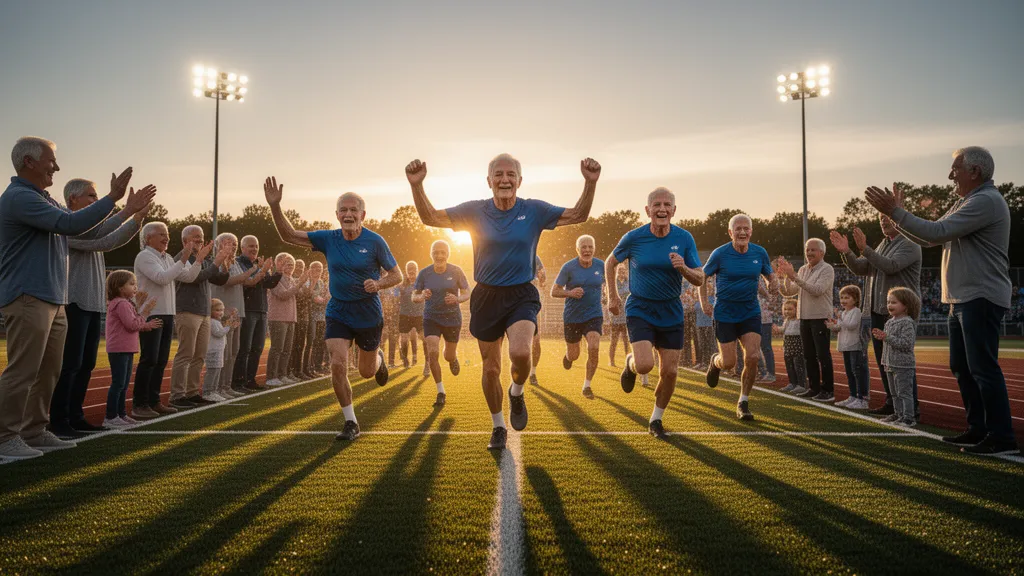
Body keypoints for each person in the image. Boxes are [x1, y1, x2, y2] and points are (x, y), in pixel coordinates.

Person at [406, 154, 601, 450]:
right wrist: (417, 185)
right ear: (489, 181)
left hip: (521, 293)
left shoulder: (534, 210)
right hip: (486, 295)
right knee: (491, 368)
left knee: (521, 353)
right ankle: (498, 425)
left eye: (511, 174)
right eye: (498, 174)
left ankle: (517, 391)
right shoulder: (474, 210)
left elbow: (578, 215)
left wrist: (590, 182)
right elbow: (430, 217)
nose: (505, 179)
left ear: (520, 181)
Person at [865, 147, 1017, 455]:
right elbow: (930, 237)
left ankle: (1001, 436)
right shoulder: (967, 200)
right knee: (961, 366)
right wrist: (899, 217)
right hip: (961, 297)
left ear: (975, 172)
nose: (950, 175)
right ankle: (977, 428)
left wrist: (896, 212)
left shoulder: (985, 200)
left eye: (955, 169)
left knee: (982, 367)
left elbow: (937, 230)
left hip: (980, 295)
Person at [0, 137, 140, 460]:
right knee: (24, 370)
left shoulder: (44, 198)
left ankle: (34, 429)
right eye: (51, 161)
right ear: (28, 163)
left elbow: (84, 231)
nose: (57, 167)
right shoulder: (20, 198)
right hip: (27, 295)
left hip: (53, 298)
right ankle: (5, 435)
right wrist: (112, 198)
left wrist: (126, 212)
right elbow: (71, 223)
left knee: (49, 370)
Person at [265, 178, 402, 442]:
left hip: (368, 313)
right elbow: (289, 235)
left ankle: (379, 359)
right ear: (337, 214)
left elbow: (396, 275)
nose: (348, 214)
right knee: (337, 365)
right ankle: (351, 422)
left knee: (366, 372)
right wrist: (275, 206)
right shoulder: (329, 238)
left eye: (353, 210)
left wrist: (379, 283)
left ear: (363, 215)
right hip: (338, 310)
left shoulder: (375, 242)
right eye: (343, 210)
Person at [50, 178, 154, 438]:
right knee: (70, 364)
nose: (95, 201)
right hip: (74, 301)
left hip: (93, 303)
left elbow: (112, 238)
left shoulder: (91, 228)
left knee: (86, 363)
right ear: (72, 199)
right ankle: (59, 419)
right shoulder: (67, 226)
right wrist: (128, 212)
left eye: (96, 196)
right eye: (91, 196)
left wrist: (137, 219)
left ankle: (76, 416)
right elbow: (105, 242)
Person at [606, 187, 704, 438]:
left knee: (670, 372)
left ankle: (656, 419)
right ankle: (630, 364)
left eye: (667, 204)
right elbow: (610, 262)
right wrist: (614, 296)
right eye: (657, 205)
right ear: (648, 210)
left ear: (673, 210)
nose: (662, 209)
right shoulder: (633, 237)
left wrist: (683, 268)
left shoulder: (684, 238)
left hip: (671, 309)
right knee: (645, 365)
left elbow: (700, 278)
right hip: (641, 307)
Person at [831, 213, 922, 417]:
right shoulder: (882, 245)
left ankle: (910, 406)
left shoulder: (910, 243)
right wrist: (847, 252)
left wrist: (865, 249)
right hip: (877, 311)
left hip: (899, 313)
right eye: (880, 218)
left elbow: (890, 266)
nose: (883, 221)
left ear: (900, 217)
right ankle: (893, 403)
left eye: (888, 216)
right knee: (885, 360)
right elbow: (862, 267)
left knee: (900, 360)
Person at [132, 222, 208, 419]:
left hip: (167, 313)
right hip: (152, 313)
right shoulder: (145, 256)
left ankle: (154, 401)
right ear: (148, 238)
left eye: (167, 234)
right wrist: (183, 258)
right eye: (161, 235)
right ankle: (140, 404)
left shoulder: (165, 257)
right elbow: (162, 278)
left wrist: (198, 260)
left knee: (161, 360)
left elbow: (189, 277)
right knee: (149, 359)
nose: (166, 238)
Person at [700, 214, 773, 421]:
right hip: (725, 313)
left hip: (750, 312)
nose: (742, 232)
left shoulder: (760, 252)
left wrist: (773, 283)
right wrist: (705, 302)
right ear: (730, 232)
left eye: (746, 228)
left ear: (751, 231)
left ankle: (743, 401)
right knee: (729, 363)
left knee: (752, 357)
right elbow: (701, 278)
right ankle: (716, 362)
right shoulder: (720, 254)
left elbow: (769, 276)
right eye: (738, 229)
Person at [168, 225, 231, 410]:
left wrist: (224, 261)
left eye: (201, 237)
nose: (200, 240)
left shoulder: (202, 258)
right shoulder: (182, 258)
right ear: (184, 241)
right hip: (187, 310)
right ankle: (177, 395)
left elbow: (219, 279)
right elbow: (196, 277)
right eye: (195, 237)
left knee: (199, 355)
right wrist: (216, 262)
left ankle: (192, 392)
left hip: (203, 312)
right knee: (186, 353)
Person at [776, 239, 836, 402]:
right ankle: (814, 388)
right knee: (809, 355)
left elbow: (817, 290)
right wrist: (784, 278)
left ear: (822, 253)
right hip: (804, 317)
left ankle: (828, 390)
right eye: (807, 250)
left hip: (820, 317)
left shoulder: (827, 269)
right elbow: (788, 292)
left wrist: (794, 276)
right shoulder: (803, 269)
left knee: (822, 355)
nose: (809, 253)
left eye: (813, 250)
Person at [412, 240, 470, 407]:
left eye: (442, 252)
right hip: (431, 318)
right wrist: (422, 296)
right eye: (436, 252)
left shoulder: (456, 271)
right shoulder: (424, 274)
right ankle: (440, 391)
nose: (439, 255)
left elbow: (467, 293)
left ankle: (453, 359)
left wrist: (457, 299)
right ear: (431, 254)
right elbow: (414, 297)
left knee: (448, 355)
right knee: (432, 353)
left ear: (447, 254)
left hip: (452, 319)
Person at [103, 270, 161, 428]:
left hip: (126, 348)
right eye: (131, 284)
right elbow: (132, 324)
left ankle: (121, 414)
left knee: (123, 383)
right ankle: (110, 416)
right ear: (120, 287)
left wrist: (144, 322)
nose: (135, 287)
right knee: (119, 383)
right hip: (119, 348)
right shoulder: (121, 304)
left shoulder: (125, 303)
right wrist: (146, 312)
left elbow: (134, 322)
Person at [552, 235, 605, 399]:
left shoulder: (601, 265)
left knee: (594, 347)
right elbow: (554, 291)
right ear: (577, 249)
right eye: (584, 247)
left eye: (590, 247)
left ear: (594, 249)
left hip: (594, 314)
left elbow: (608, 284)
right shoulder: (568, 267)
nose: (587, 250)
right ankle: (568, 357)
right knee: (574, 354)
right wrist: (570, 293)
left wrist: (610, 297)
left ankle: (587, 385)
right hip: (572, 317)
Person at [210, 233, 260, 399]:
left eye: (233, 243)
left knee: (233, 352)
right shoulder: (216, 261)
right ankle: (215, 388)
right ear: (218, 245)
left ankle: (226, 386)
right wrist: (253, 269)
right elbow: (230, 281)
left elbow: (248, 282)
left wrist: (262, 270)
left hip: (237, 311)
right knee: (223, 352)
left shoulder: (235, 262)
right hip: (224, 311)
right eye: (227, 243)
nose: (231, 246)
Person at [232, 236, 282, 393]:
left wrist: (278, 272)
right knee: (245, 347)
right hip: (247, 309)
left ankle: (250, 379)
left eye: (256, 246)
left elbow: (268, 283)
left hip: (261, 310)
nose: (254, 249)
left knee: (258, 347)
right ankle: (238, 382)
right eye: (251, 246)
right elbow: (248, 283)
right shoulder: (239, 263)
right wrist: (262, 270)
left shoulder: (257, 264)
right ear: (243, 248)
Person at [873, 287, 921, 427]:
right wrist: (882, 337)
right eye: (888, 302)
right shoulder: (889, 322)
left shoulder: (907, 322)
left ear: (906, 305)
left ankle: (908, 417)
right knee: (894, 393)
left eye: (894, 302)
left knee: (904, 392)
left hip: (902, 365)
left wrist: (887, 337)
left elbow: (906, 344)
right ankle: (898, 414)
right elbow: (889, 341)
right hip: (889, 363)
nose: (889, 305)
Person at [266, 253, 312, 387]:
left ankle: (283, 374)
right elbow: (283, 295)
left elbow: (301, 294)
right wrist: (300, 283)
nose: (291, 267)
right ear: (280, 264)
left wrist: (305, 282)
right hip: (278, 317)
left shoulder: (291, 279)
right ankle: (271, 376)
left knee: (287, 349)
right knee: (277, 348)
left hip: (291, 317)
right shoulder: (276, 279)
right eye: (288, 264)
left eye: (292, 264)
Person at [827, 285, 869, 409]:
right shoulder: (844, 312)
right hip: (845, 346)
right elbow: (840, 328)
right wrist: (831, 325)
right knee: (850, 373)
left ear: (855, 299)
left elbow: (851, 326)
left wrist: (840, 317)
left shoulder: (856, 312)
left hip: (854, 346)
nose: (843, 300)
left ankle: (862, 398)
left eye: (847, 298)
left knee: (857, 372)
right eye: (842, 298)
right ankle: (853, 396)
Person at [203, 298, 240, 402]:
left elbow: (223, 330)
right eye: (217, 310)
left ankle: (214, 391)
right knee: (212, 372)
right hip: (213, 351)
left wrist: (230, 322)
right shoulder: (212, 322)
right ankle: (207, 392)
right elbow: (219, 333)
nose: (220, 312)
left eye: (222, 310)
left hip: (218, 351)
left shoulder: (216, 321)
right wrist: (228, 326)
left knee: (217, 371)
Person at [288, 259, 315, 380]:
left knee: (300, 345)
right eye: (297, 265)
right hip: (295, 316)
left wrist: (312, 282)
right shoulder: (292, 280)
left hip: (305, 316)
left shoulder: (305, 281)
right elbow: (298, 296)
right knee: (293, 345)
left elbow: (308, 296)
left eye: (301, 266)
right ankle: (292, 370)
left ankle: (299, 370)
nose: (299, 268)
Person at [397, 261, 426, 371]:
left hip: (419, 315)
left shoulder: (422, 283)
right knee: (404, 340)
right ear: (407, 272)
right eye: (409, 271)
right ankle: (405, 358)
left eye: (413, 270)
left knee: (425, 339)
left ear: (417, 270)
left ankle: (427, 363)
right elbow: (394, 296)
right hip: (405, 315)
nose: (412, 273)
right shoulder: (402, 285)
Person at [777, 299, 808, 394]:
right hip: (788, 345)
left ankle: (802, 384)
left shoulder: (799, 320)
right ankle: (792, 383)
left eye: (790, 309)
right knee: (789, 365)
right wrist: (777, 329)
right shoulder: (787, 321)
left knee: (798, 365)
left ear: (797, 309)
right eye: (785, 309)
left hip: (797, 346)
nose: (787, 311)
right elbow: (783, 330)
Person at [304, 262, 328, 376]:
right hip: (311, 316)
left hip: (321, 316)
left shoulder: (322, 283)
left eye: (320, 268)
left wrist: (324, 298)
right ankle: (310, 367)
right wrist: (323, 298)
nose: (318, 270)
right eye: (315, 268)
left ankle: (318, 366)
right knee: (312, 341)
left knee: (320, 342)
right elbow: (314, 297)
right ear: (310, 269)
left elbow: (323, 298)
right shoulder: (308, 281)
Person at [608, 263, 631, 367]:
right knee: (614, 340)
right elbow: (609, 297)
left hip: (627, 316)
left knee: (627, 341)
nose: (622, 273)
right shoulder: (614, 283)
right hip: (616, 316)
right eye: (620, 271)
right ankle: (611, 361)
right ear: (617, 272)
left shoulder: (629, 283)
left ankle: (627, 361)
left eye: (623, 271)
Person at [756, 277, 778, 383]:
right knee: (754, 347)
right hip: (752, 316)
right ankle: (762, 372)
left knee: (766, 347)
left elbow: (760, 287)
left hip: (764, 318)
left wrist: (768, 295)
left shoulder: (760, 277)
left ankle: (770, 373)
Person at [530, 255, 547, 385]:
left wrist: (540, 281)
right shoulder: (508, 253)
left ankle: (533, 372)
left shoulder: (534, 256)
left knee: (536, 339)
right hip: (512, 300)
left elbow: (542, 274)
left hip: (531, 301)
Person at [693, 278, 715, 371]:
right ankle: (703, 362)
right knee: (702, 345)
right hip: (700, 324)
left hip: (709, 324)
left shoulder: (713, 298)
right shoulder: (700, 299)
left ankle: (710, 363)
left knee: (710, 345)